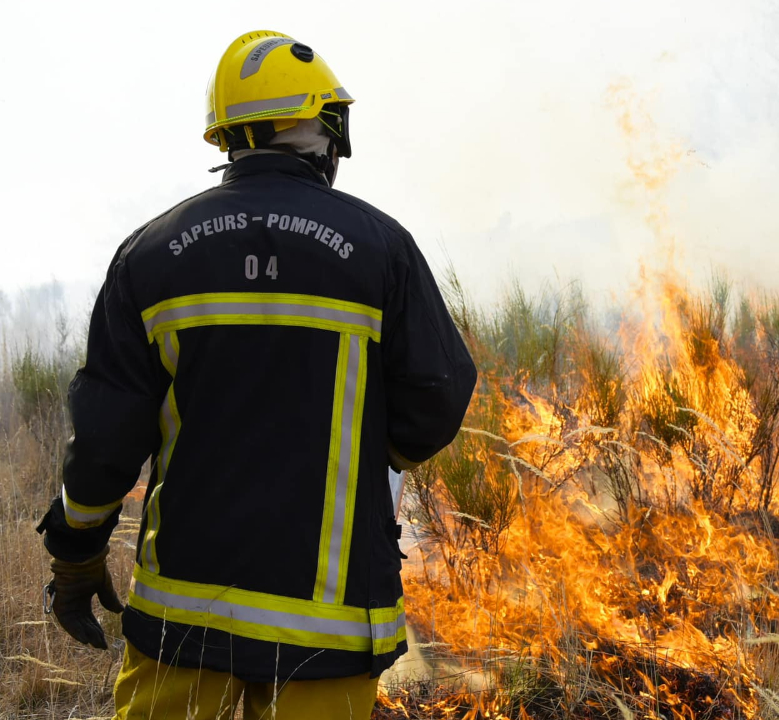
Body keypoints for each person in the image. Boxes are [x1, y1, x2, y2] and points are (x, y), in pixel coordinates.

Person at [35, 30, 477, 719]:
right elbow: (439, 398)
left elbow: (102, 444)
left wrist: (76, 553)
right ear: (325, 131)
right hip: (326, 632)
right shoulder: (381, 247)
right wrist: (370, 453)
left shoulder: (150, 255)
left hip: (182, 623)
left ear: (229, 139)